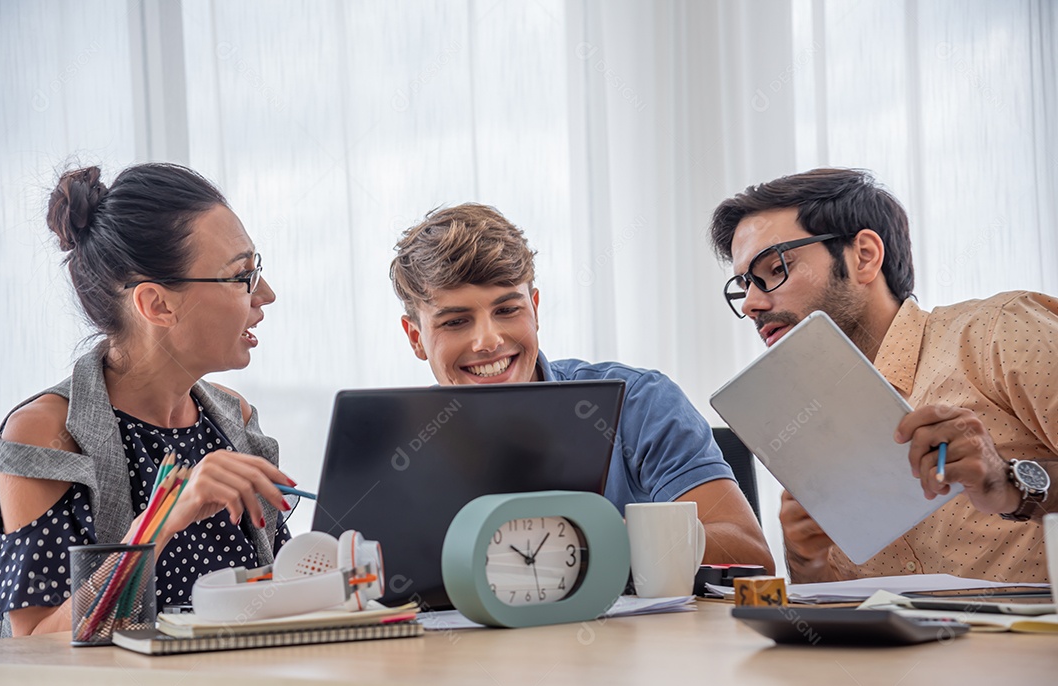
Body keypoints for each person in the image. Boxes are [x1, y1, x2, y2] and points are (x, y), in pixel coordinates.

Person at [0, 163, 292, 638]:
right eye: (240, 276)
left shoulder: (235, 417)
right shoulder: (43, 434)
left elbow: (270, 595)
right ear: (157, 305)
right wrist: (158, 524)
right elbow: (36, 643)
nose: (265, 294)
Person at [708, 167, 1058, 583]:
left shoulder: (998, 332)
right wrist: (805, 560)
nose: (750, 304)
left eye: (774, 268)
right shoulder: (805, 427)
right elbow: (835, 626)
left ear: (865, 256)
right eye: (744, 284)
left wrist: (1010, 483)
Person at [389, 203, 774, 571]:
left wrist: (601, 540)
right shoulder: (391, 447)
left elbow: (750, 554)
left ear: (535, 310)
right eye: (456, 321)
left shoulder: (639, 403)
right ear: (416, 338)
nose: (488, 341)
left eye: (507, 310)